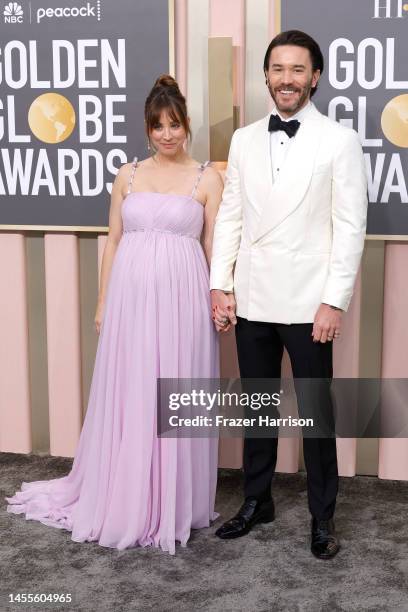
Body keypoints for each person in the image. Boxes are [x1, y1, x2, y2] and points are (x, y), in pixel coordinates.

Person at [6, 75, 224, 555]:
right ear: (148, 129)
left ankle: (174, 502)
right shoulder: (127, 175)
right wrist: (104, 301)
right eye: (158, 126)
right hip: (129, 302)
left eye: (175, 124)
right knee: (132, 391)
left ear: (187, 124)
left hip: (184, 303)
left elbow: (214, 248)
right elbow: (115, 241)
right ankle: (126, 494)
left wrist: (217, 298)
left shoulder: (207, 177)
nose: (167, 134)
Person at [210, 30, 367, 559]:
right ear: (267, 75)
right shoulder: (245, 139)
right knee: (258, 408)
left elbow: (349, 228)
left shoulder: (339, 141)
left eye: (297, 70)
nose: (286, 79)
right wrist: (220, 284)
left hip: (308, 302)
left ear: (315, 76)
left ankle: (323, 518)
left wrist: (334, 300)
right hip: (252, 296)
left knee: (317, 416)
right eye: (278, 69)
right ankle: (258, 500)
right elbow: (230, 215)